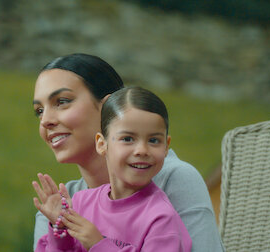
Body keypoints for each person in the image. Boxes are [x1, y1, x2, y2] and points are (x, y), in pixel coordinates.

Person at [32, 53, 224, 251]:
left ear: (109, 108)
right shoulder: (60, 204)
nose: (45, 120)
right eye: (39, 111)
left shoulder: (173, 179)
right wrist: (59, 232)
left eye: (62, 101)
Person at [33, 86, 192, 251]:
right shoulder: (81, 203)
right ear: (102, 144)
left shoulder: (161, 219)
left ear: (166, 147)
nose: (142, 150)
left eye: (154, 141)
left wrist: (98, 245)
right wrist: (60, 229)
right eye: (128, 138)